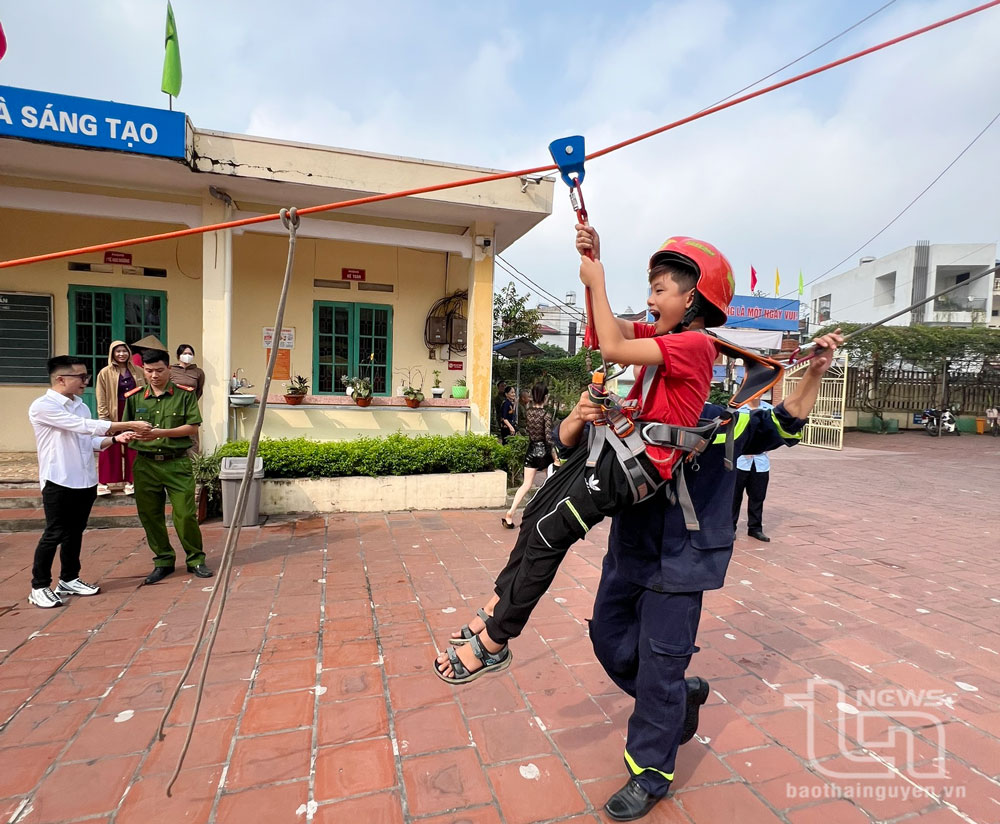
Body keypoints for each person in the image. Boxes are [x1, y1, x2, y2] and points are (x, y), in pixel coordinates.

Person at [435, 227, 727, 684]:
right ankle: (495, 606)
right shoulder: (663, 334)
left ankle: (495, 642)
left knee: (551, 532)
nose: (650, 300)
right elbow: (602, 331)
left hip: (637, 465)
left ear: (690, 299)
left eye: (659, 289)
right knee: (535, 516)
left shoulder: (695, 345)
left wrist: (598, 279)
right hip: (617, 448)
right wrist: (595, 263)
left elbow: (613, 347)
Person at [581, 329, 843, 821]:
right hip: (627, 556)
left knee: (660, 665)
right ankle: (681, 695)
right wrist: (582, 415)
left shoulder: (729, 422)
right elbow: (573, 454)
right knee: (607, 639)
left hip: (683, 565)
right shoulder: (628, 416)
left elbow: (787, 421)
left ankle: (650, 772)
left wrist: (814, 371)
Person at [27, 356, 151, 608]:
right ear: (61, 379)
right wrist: (124, 423)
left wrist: (117, 439)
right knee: (54, 533)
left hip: (84, 480)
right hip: (59, 479)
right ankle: (39, 585)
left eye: (86, 376)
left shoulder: (81, 405)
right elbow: (82, 427)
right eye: (81, 377)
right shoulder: (43, 406)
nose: (86, 381)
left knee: (75, 532)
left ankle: (69, 578)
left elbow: (89, 440)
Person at [123, 349, 213, 584]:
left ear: (169, 370)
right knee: (151, 516)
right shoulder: (134, 397)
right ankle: (163, 560)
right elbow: (127, 428)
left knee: (185, 515)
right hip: (145, 465)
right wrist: (133, 434)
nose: (154, 376)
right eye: (149, 370)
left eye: (159, 370)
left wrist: (160, 433)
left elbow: (192, 427)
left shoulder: (184, 395)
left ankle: (195, 559)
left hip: (176, 463)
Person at [95, 340, 146, 496]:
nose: (121, 354)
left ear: (129, 353)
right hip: (113, 412)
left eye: (124, 351)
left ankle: (131, 481)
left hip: (132, 412)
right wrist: (104, 417)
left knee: (133, 445)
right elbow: (101, 396)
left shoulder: (138, 371)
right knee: (110, 446)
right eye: (118, 351)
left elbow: (144, 391)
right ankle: (104, 482)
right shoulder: (105, 372)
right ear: (112, 354)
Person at [501, 383, 553, 529]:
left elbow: (529, 431)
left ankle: (510, 513)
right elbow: (548, 439)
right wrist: (555, 456)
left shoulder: (529, 412)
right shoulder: (546, 414)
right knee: (552, 483)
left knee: (526, 485)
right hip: (544, 452)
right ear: (545, 397)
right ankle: (544, 515)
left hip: (531, 450)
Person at [732, 395, 773, 542]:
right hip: (740, 461)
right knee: (734, 497)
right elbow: (731, 434)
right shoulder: (737, 410)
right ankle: (730, 528)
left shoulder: (769, 410)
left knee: (757, 496)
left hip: (761, 462)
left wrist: (766, 446)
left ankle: (755, 528)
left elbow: (774, 433)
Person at [170, 343, 206, 455]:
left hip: (190, 408)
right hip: (173, 407)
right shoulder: (170, 370)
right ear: (178, 355)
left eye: (190, 354)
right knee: (173, 434)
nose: (187, 356)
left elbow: (199, 390)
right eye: (185, 353)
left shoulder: (198, 372)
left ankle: (193, 466)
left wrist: (191, 402)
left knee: (192, 438)